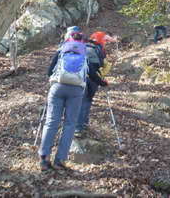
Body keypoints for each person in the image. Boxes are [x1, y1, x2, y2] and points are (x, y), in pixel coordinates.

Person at [38, 32, 99, 171]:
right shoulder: (85, 54)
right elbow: (93, 74)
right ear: (82, 42)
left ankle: (44, 158)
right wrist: (103, 82)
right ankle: (60, 161)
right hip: (76, 91)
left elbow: (49, 72)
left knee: (51, 122)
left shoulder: (61, 51)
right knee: (70, 124)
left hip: (57, 88)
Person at [75, 31, 117, 138]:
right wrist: (102, 81)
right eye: (105, 41)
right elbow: (101, 64)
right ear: (102, 40)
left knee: (81, 100)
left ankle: (80, 124)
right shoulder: (99, 48)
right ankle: (80, 126)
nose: (106, 43)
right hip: (92, 77)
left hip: (78, 76)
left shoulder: (83, 45)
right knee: (87, 101)